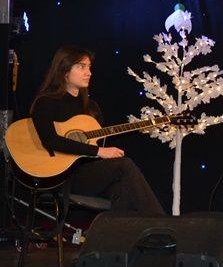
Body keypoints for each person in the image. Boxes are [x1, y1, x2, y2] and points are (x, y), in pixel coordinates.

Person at [30, 45, 164, 215]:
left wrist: (98, 151)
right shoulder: (46, 102)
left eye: (89, 67)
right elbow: (50, 140)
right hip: (61, 178)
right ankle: (161, 222)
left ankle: (124, 232)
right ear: (64, 70)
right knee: (125, 165)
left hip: (88, 176)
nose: (89, 73)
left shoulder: (91, 108)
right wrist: (98, 151)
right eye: (81, 67)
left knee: (122, 190)